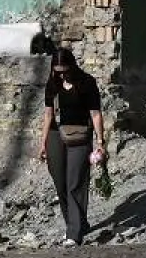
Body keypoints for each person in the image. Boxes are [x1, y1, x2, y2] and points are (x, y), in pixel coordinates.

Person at [37, 47, 105, 245]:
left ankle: (74, 234)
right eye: (57, 71)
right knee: (60, 182)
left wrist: (100, 143)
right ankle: (76, 223)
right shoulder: (52, 84)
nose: (62, 75)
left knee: (75, 182)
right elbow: (48, 114)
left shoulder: (87, 82)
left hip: (80, 135)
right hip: (55, 135)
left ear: (72, 66)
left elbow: (96, 114)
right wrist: (43, 143)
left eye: (65, 70)